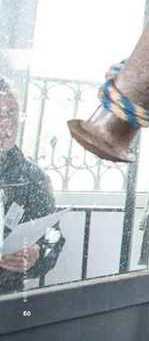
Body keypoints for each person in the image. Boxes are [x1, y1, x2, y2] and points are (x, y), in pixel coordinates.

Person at [0, 76, 64, 295]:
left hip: (8, 297)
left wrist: (38, 252)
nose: (6, 124)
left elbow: (53, 236)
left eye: (11, 115)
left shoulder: (32, 177)